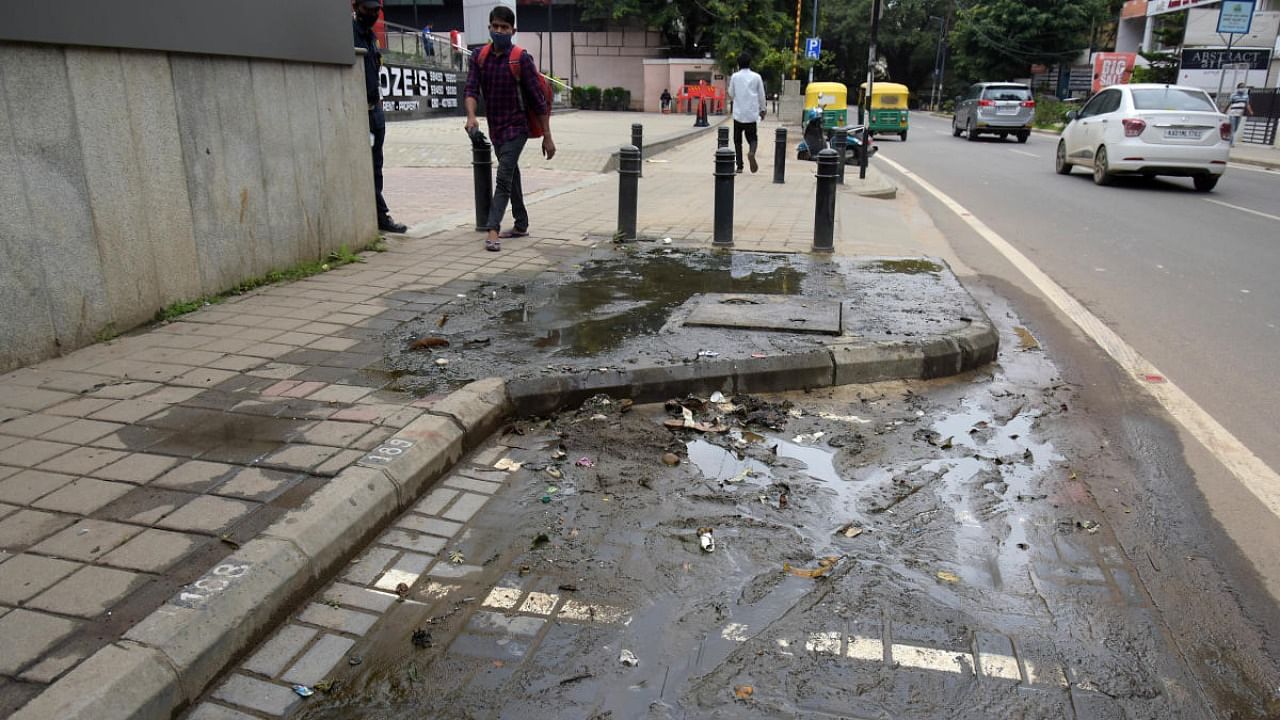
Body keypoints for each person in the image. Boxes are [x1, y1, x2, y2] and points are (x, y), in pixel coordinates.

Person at [464, 5, 556, 252]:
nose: (499, 31)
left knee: (503, 176)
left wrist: (547, 137)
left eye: (504, 27)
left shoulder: (521, 59)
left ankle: (492, 229)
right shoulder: (479, 58)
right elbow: (471, 89)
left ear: (512, 30)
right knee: (511, 173)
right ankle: (521, 223)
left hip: (518, 128)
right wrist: (471, 116)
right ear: (489, 27)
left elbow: (538, 101)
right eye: (495, 26)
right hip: (496, 129)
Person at [353, 0, 407, 233]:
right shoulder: (349, 35)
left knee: (376, 166)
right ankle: (370, 216)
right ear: (356, 6)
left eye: (376, 10)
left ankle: (380, 217)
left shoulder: (371, 37)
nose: (373, 14)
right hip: (358, 114)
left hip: (374, 112)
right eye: (368, 9)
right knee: (361, 167)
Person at [727, 51, 766, 173]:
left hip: (738, 113)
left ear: (738, 64)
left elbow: (731, 94)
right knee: (753, 138)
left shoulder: (734, 77)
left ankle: (739, 166)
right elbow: (761, 95)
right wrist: (763, 109)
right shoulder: (756, 77)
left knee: (737, 141)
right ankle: (752, 152)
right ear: (750, 63)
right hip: (751, 114)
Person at [1227, 83, 1253, 147]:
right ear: (1238, 88)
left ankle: (1229, 139)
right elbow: (1230, 104)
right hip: (1232, 113)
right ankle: (1231, 143)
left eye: (1244, 87)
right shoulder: (1233, 95)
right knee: (1232, 128)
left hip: (1239, 114)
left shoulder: (1246, 96)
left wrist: (1250, 111)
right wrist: (1226, 111)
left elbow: (1247, 104)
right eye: (1241, 87)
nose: (1243, 89)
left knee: (1235, 128)